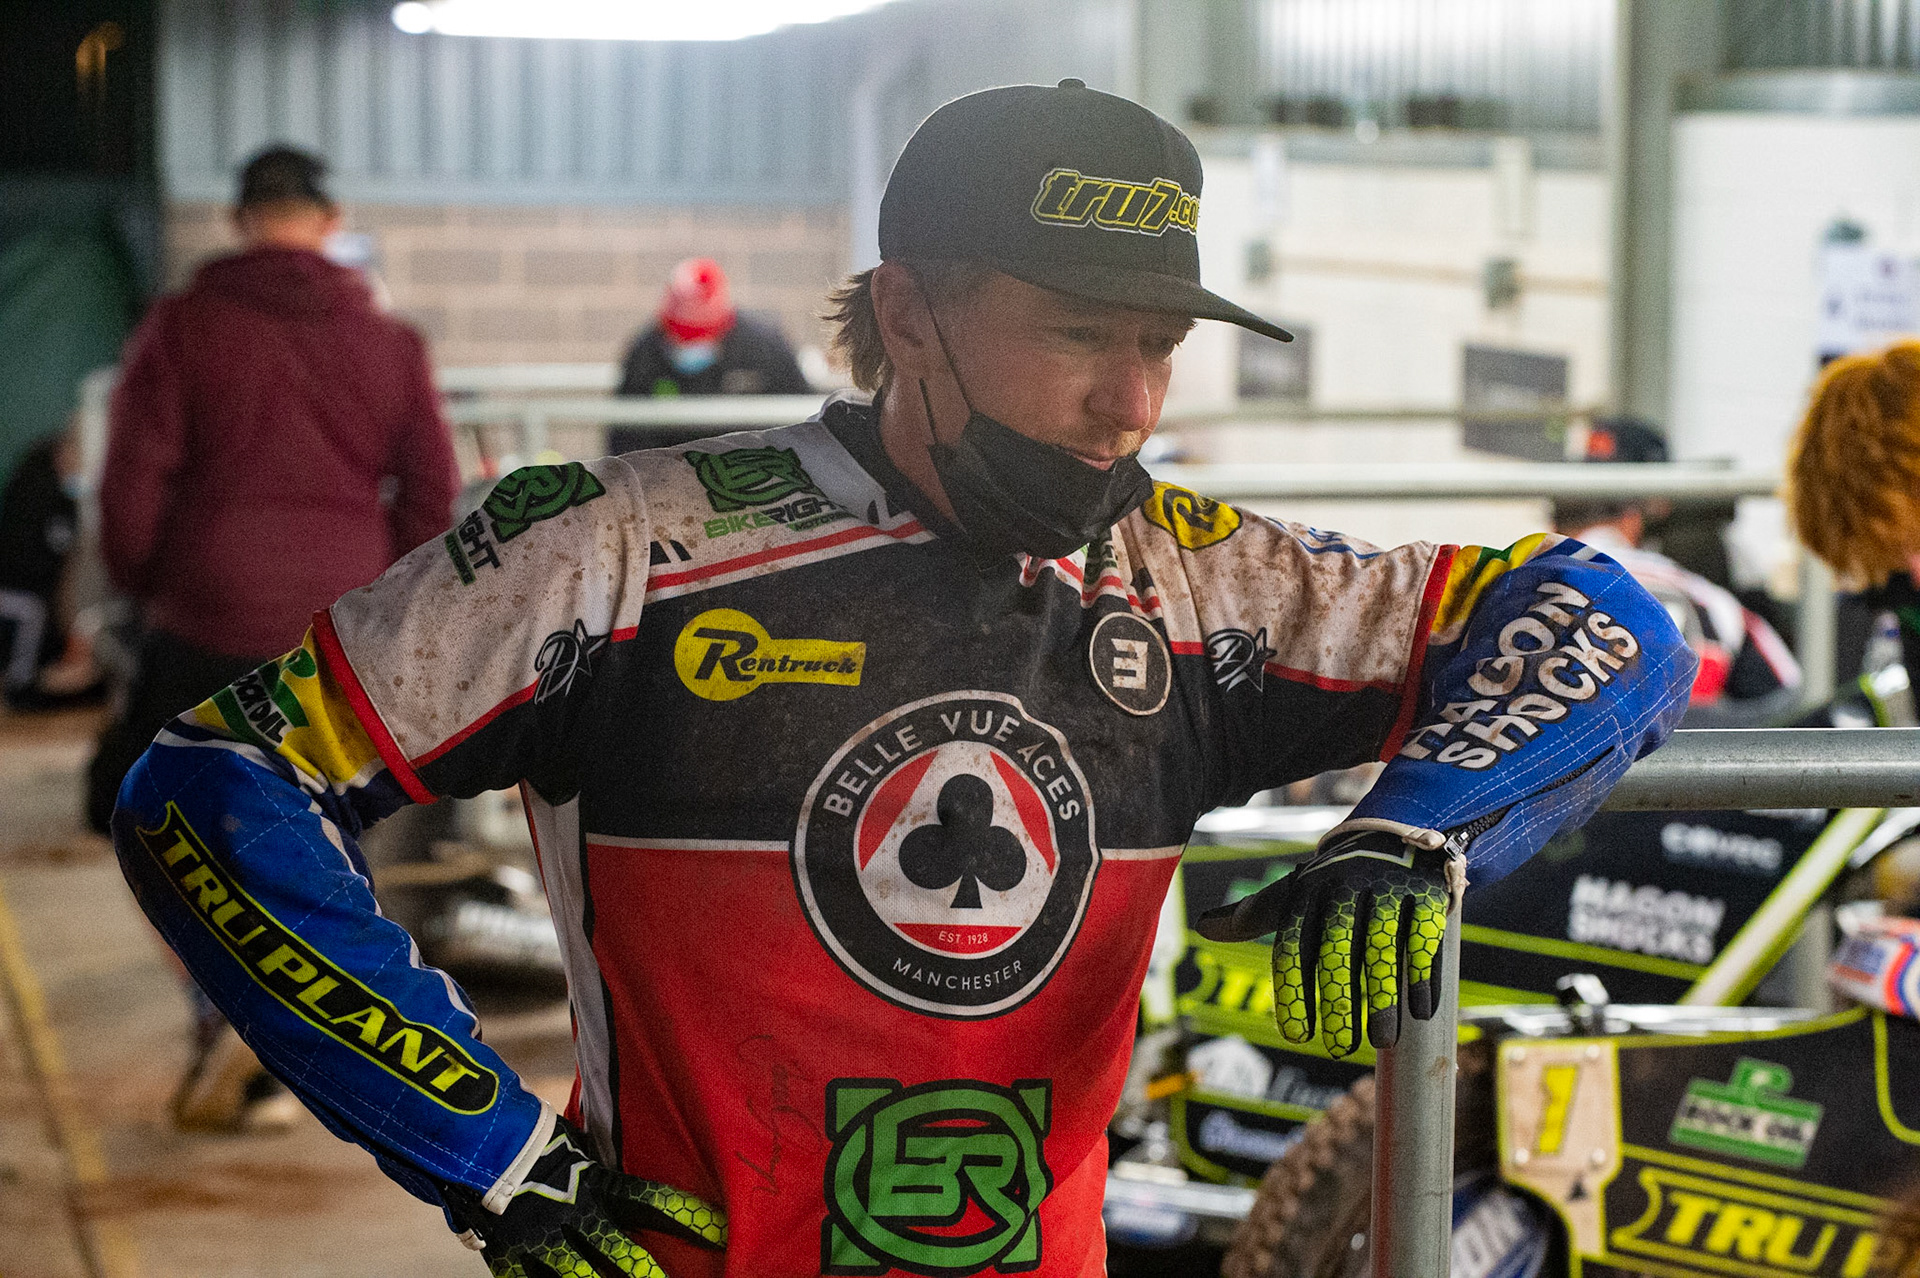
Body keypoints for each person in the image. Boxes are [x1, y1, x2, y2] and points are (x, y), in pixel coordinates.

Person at [111, 83, 1692, 1277]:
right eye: (1080, 331)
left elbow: (1610, 614)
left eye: (1163, 344)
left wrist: (1427, 822)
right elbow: (210, 782)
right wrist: (482, 1146)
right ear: (913, 309)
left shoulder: (1205, 579)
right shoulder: (618, 551)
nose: (1130, 402)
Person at [94, 145, 459, 1128]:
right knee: (322, 835)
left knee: (164, 828)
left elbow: (132, 484)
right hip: (337, 632)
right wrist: (390, 606)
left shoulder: (181, 329)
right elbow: (432, 497)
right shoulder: (390, 345)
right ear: (330, 218)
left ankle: (224, 1015)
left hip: (206, 615)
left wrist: (144, 583)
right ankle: (319, 1050)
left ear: (238, 219)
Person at [1556, 416, 1801, 725]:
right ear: (1635, 516)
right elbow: (1793, 706)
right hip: (1691, 763)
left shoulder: (1510, 587)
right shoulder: (1709, 599)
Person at [609, 257, 811, 453]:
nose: (690, 344)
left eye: (699, 334)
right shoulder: (646, 353)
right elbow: (624, 434)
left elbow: (804, 416)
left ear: (724, 322)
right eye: (682, 333)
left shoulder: (764, 347)